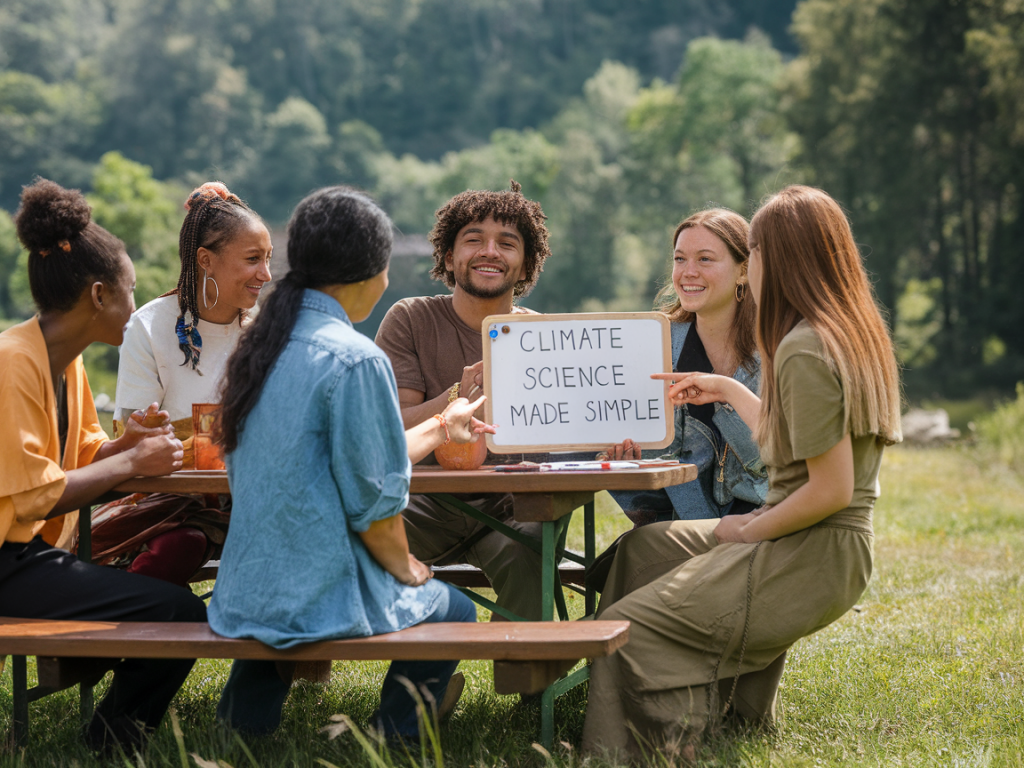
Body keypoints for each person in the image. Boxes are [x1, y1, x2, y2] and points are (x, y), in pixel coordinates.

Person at [582, 185, 903, 761]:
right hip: (821, 538)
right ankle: (702, 702)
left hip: (809, 545)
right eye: (681, 257)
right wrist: (729, 391)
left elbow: (829, 489)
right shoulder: (846, 331)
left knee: (631, 627)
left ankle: (649, 748)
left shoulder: (802, 347)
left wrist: (745, 529)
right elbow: (796, 444)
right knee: (644, 551)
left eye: (752, 249)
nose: (751, 262)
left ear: (782, 257)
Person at [209, 186, 482, 739]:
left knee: (278, 618)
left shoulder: (260, 347)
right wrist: (408, 569)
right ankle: (391, 739)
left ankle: (241, 734)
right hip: (318, 592)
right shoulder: (354, 357)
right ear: (369, 274)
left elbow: (364, 454)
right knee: (455, 610)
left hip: (246, 587)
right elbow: (375, 504)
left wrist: (439, 422)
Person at [0, 179, 207, 753]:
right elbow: (38, 496)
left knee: (174, 609)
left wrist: (125, 448)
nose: (135, 307)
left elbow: (86, 455)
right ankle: (112, 743)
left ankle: (110, 736)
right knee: (181, 614)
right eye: (130, 291)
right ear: (98, 295)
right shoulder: (13, 363)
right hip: (9, 560)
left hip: (28, 555)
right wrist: (132, 462)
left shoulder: (65, 362)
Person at [374, 180, 552, 621]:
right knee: (350, 535)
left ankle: (531, 683)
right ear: (450, 257)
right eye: (474, 240)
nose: (490, 251)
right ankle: (415, 675)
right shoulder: (411, 318)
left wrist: (607, 443)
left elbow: (559, 437)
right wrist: (458, 395)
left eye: (507, 244)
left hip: (509, 509)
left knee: (530, 544)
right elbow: (391, 429)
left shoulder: (544, 335)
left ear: (526, 262)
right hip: (423, 507)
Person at [94, 182, 272, 586]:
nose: (266, 274)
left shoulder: (267, 329)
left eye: (268, 259)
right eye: (252, 259)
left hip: (258, 496)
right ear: (205, 260)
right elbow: (135, 444)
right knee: (180, 545)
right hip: (169, 501)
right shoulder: (150, 326)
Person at [600, 209, 766, 527]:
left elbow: (780, 463)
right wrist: (629, 470)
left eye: (705, 259)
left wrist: (729, 398)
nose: (688, 272)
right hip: (677, 525)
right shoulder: (651, 345)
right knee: (609, 572)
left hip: (763, 525)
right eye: (679, 259)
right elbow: (648, 497)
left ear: (743, 270)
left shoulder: (776, 349)